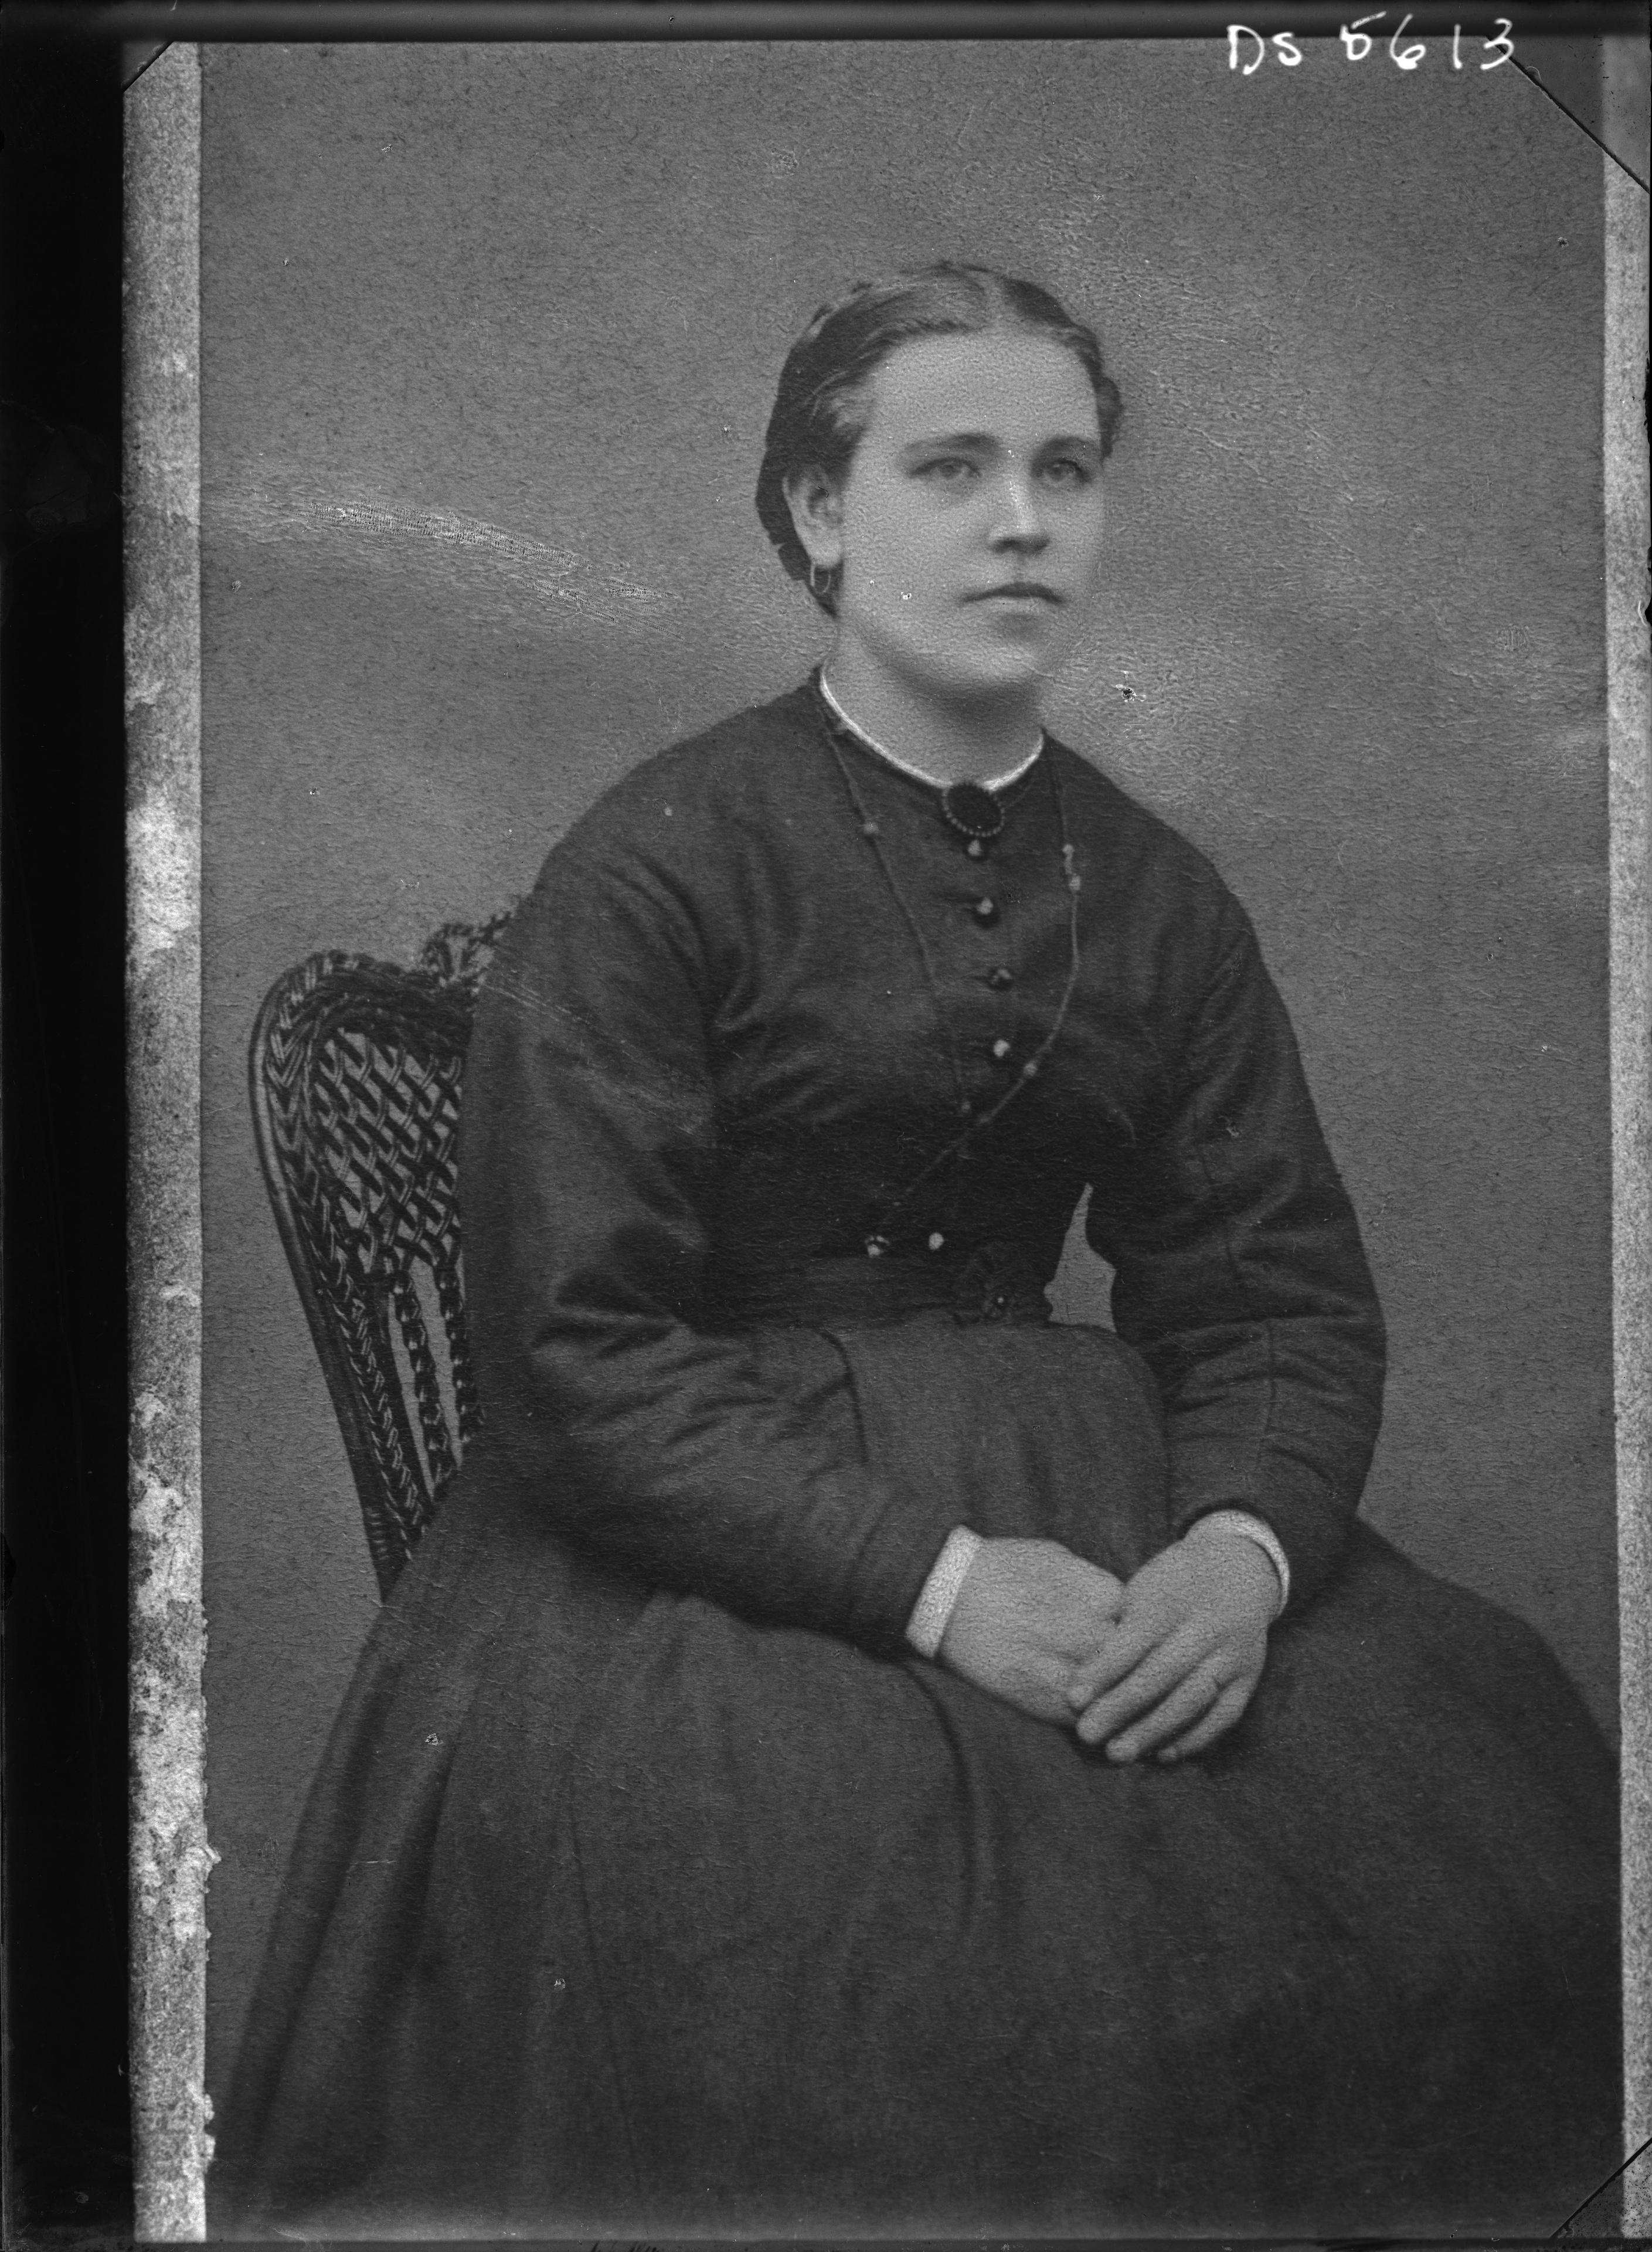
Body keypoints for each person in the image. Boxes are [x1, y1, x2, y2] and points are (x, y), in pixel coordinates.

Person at [214, 264, 1619, 2237]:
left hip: (1096, 1490)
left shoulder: (1155, 891)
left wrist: (1232, 1556)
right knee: (891, 1970)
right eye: (950, 468)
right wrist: (941, 1585)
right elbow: (576, 1349)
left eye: (1065, 470)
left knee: (1487, 1805)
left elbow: (1273, 1294)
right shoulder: (661, 856)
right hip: (699, 1551)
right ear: (819, 509)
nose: (1020, 521)